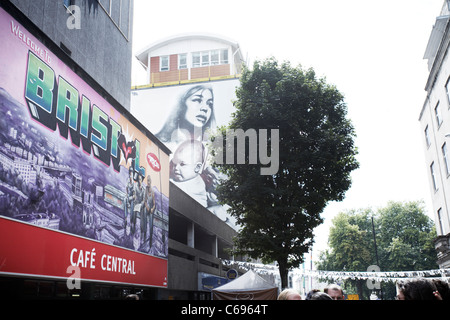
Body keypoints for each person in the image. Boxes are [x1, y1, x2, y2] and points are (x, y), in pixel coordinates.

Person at [156, 85, 216, 152]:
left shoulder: (214, 150)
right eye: (198, 100)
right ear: (181, 105)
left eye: (209, 104)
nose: (205, 108)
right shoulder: (158, 144)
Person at [170, 140, 208, 206]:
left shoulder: (196, 186)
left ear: (197, 167)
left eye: (182, 164)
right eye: (174, 164)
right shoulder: (185, 178)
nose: (176, 168)